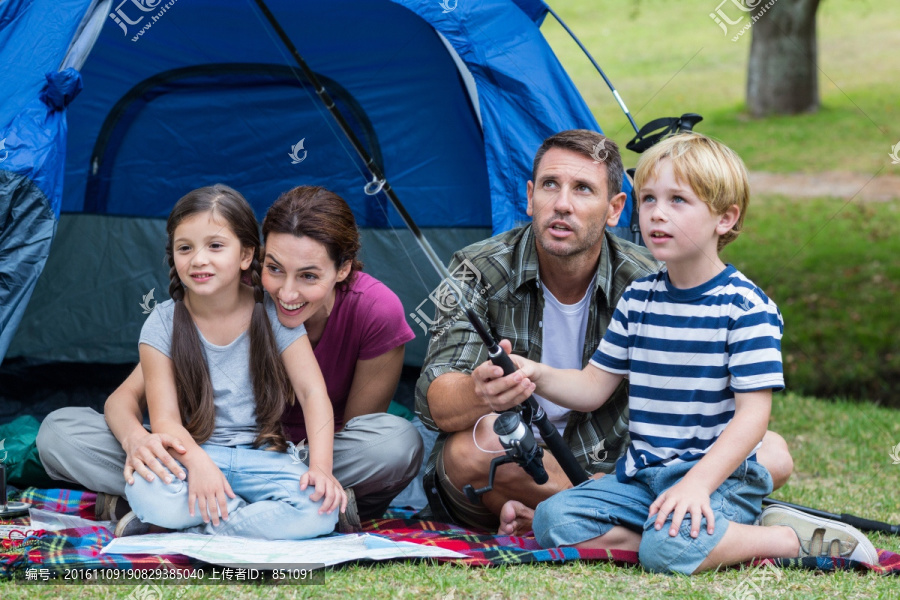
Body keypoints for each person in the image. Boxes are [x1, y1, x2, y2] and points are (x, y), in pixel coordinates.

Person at [516, 133, 878, 573]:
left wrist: (697, 485)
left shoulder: (746, 308)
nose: (657, 213)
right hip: (642, 478)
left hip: (719, 478)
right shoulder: (639, 298)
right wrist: (533, 372)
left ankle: (784, 538)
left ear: (724, 218)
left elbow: (752, 418)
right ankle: (688, 539)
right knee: (553, 520)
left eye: (677, 201)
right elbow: (593, 386)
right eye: (648, 199)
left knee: (669, 551)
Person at [414, 129, 795, 535]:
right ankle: (648, 519)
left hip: (628, 466)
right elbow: (431, 397)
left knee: (772, 450)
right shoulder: (475, 269)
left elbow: (742, 416)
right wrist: (482, 391)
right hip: (534, 460)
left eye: (582, 189)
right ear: (529, 197)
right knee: (479, 446)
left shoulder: (651, 278)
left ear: (614, 209)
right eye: (549, 186)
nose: (562, 205)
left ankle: (610, 516)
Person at [37, 186, 423, 527]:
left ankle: (169, 511)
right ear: (258, 260)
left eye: (308, 275)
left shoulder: (353, 311)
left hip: (289, 457)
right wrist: (139, 440)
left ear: (342, 269)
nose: (286, 293)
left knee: (393, 444)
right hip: (195, 453)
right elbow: (141, 406)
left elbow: (332, 411)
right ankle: (230, 510)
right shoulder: (196, 308)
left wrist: (318, 470)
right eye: (274, 269)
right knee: (60, 432)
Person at [123, 184, 340, 539]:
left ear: (246, 255)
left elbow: (312, 392)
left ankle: (209, 524)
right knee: (148, 495)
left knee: (319, 511)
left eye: (215, 246)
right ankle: (247, 518)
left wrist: (321, 468)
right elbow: (163, 420)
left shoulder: (272, 313)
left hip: (264, 457)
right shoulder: (162, 323)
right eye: (185, 248)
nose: (198, 260)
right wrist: (199, 464)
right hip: (196, 452)